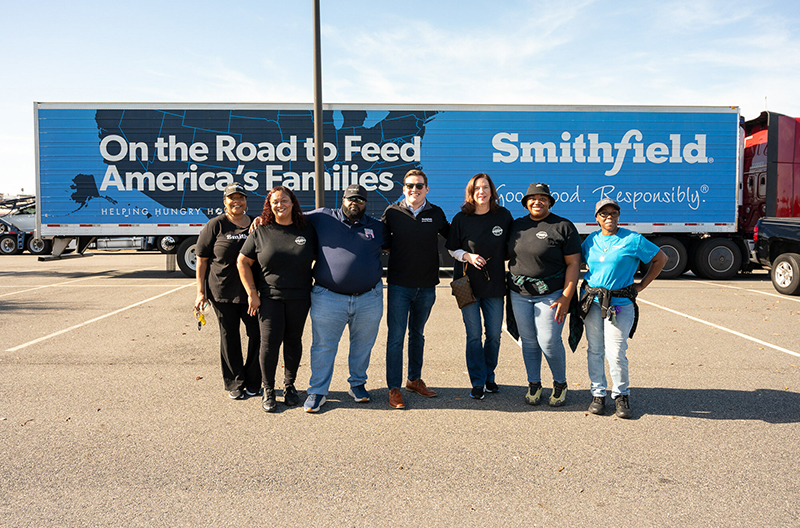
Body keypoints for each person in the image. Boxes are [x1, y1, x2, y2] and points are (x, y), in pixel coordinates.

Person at [580, 198, 667, 418]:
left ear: (619, 215)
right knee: (595, 350)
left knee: (616, 352)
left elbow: (661, 258)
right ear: (596, 218)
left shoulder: (632, 239)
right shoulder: (591, 240)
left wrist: (642, 284)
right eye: (604, 214)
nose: (609, 217)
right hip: (592, 303)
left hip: (619, 304)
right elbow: (577, 263)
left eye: (613, 213)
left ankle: (621, 395)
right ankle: (598, 393)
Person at [302, 184, 385, 413]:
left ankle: (357, 384)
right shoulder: (322, 217)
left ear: (365, 203)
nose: (354, 203)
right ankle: (318, 391)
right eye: (350, 199)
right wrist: (259, 221)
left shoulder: (377, 227)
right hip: (328, 296)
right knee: (323, 346)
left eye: (359, 199)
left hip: (369, 297)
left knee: (363, 345)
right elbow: (288, 217)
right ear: (342, 199)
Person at [237, 186, 317, 413]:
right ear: (269, 206)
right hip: (270, 298)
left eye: (284, 200)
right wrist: (252, 293)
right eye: (274, 202)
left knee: (294, 341)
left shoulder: (307, 229)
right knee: (270, 344)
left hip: (300, 297)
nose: (279, 205)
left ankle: (290, 386)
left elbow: (319, 256)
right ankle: (269, 389)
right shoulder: (261, 230)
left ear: (293, 203)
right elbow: (242, 261)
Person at [507, 182, 582, 408]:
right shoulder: (517, 225)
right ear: (526, 203)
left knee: (548, 341)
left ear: (549, 201)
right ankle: (534, 383)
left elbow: (574, 263)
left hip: (552, 294)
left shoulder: (563, 226)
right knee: (529, 342)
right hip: (519, 293)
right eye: (532, 198)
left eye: (542, 198)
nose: (537, 202)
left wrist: (567, 296)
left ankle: (560, 383)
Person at [381, 169, 450, 409]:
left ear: (427, 189)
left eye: (419, 186)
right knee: (395, 338)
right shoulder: (392, 213)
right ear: (403, 188)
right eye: (410, 185)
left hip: (427, 287)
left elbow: (454, 237)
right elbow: (381, 240)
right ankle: (393, 388)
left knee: (417, 334)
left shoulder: (436, 213)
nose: (414, 189)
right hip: (399, 285)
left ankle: (413, 380)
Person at [445, 173, 513, 400]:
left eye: (485, 188)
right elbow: (451, 249)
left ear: (492, 191)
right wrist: (467, 256)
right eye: (477, 189)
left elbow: (513, 246)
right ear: (471, 193)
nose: (481, 192)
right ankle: (477, 381)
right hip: (467, 286)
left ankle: (489, 376)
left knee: (493, 334)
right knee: (473, 335)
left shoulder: (503, 216)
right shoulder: (461, 218)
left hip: (494, 285)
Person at [194, 182, 261, 400]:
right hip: (222, 292)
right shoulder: (216, 225)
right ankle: (235, 382)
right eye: (232, 198)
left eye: (241, 198)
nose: (237, 202)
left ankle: (253, 381)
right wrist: (201, 292)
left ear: (246, 202)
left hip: (252, 294)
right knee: (229, 337)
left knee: (258, 336)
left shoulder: (256, 224)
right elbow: (202, 261)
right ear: (225, 202)